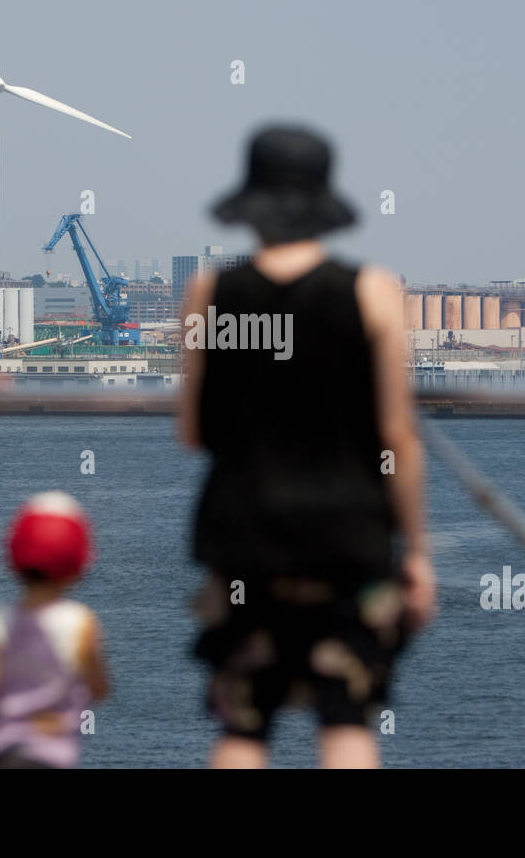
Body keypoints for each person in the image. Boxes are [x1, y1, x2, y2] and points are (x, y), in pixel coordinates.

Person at [179, 125, 436, 769]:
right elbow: (396, 437)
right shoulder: (372, 291)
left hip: (243, 533)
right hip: (347, 539)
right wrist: (418, 551)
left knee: (244, 723)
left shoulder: (212, 293)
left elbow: (192, 430)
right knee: (346, 718)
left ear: (250, 204)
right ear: (323, 203)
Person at [0, 491, 108, 768]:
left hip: (3, 754)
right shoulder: (81, 622)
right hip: (51, 757)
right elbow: (99, 686)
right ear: (78, 564)